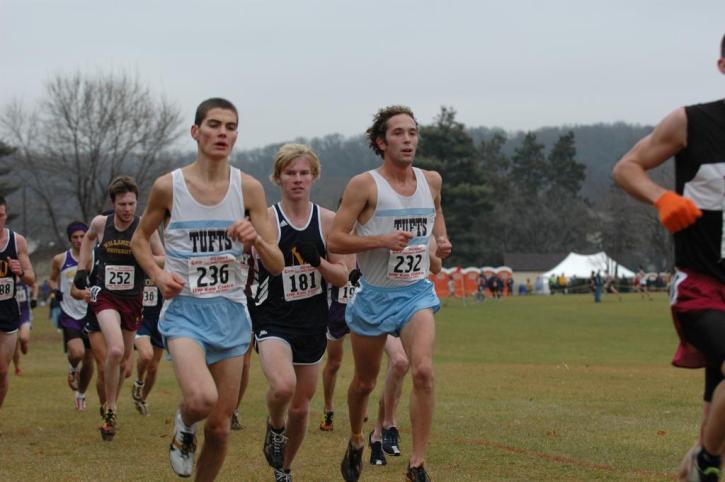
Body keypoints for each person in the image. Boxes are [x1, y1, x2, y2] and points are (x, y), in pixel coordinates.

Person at [131, 97, 284, 480]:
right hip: (185, 311)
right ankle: (183, 425)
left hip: (231, 314)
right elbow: (139, 240)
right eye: (214, 125)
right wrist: (157, 272)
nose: (223, 133)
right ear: (196, 132)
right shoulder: (170, 187)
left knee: (219, 428)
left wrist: (256, 239)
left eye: (230, 127)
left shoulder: (248, 189)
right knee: (201, 399)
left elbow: (277, 263)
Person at [612, 34, 725, 482]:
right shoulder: (691, 122)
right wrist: (662, 198)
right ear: (722, 66)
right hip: (702, 288)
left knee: (713, 414)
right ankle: (706, 460)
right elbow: (626, 168)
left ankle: (697, 461)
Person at [328, 105, 452, 482]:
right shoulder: (364, 185)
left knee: (424, 371)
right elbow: (335, 238)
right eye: (398, 133)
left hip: (415, 294)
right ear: (381, 142)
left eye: (413, 132)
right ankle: (354, 440)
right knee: (364, 382)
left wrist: (439, 247)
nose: (408, 139)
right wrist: (380, 239)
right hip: (374, 296)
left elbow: (436, 226)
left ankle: (416, 464)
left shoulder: (431, 181)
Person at [252, 143, 348, 482]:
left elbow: (343, 275)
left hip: (312, 323)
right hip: (273, 318)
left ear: (314, 176)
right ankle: (274, 428)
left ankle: (284, 469)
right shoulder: (265, 219)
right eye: (290, 173)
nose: (297, 179)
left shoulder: (328, 221)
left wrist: (318, 261)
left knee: (302, 405)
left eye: (303, 173)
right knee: (282, 387)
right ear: (278, 177)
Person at [75, 176, 165, 440]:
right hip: (105, 297)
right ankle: (111, 409)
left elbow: (162, 257)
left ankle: (112, 401)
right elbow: (88, 240)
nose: (128, 209)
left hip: (133, 300)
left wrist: (144, 256)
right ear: (113, 203)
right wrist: (83, 268)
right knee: (114, 350)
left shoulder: (145, 227)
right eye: (122, 204)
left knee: (125, 360)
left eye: (132, 203)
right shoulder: (101, 223)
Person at [369, 245, 442, 467]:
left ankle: (378, 434)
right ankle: (389, 424)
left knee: (404, 369)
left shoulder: (423, 222)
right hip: (380, 303)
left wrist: (422, 248)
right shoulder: (378, 217)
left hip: (412, 306)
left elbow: (437, 266)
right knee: (399, 362)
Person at [50, 222, 95, 411]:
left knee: (90, 359)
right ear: (70, 238)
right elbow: (52, 279)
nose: (78, 240)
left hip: (90, 313)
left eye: (82, 236)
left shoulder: (93, 258)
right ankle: (72, 368)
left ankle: (81, 394)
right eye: (75, 237)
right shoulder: (60, 259)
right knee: (77, 353)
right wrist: (55, 291)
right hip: (68, 313)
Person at [0, 195, 35, 410]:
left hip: (8, 311)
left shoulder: (17, 241)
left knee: (2, 372)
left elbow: (31, 278)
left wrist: (19, 271)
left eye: (1, 215)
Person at [319, 256, 359, 432]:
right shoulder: (334, 240)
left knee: (364, 363)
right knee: (334, 363)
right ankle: (328, 408)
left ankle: (361, 405)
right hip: (336, 309)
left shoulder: (369, 237)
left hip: (361, 307)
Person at [130, 276, 164, 416]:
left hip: (159, 321)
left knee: (153, 367)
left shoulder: (164, 266)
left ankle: (142, 399)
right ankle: (138, 382)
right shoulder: (138, 263)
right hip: (140, 320)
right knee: (146, 355)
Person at [11, 278, 36, 376]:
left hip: (25, 314)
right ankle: (17, 367)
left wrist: (34, 298)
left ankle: (23, 343)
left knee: (24, 338)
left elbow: (35, 284)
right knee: (13, 346)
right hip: (11, 315)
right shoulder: (7, 277)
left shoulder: (24, 277)